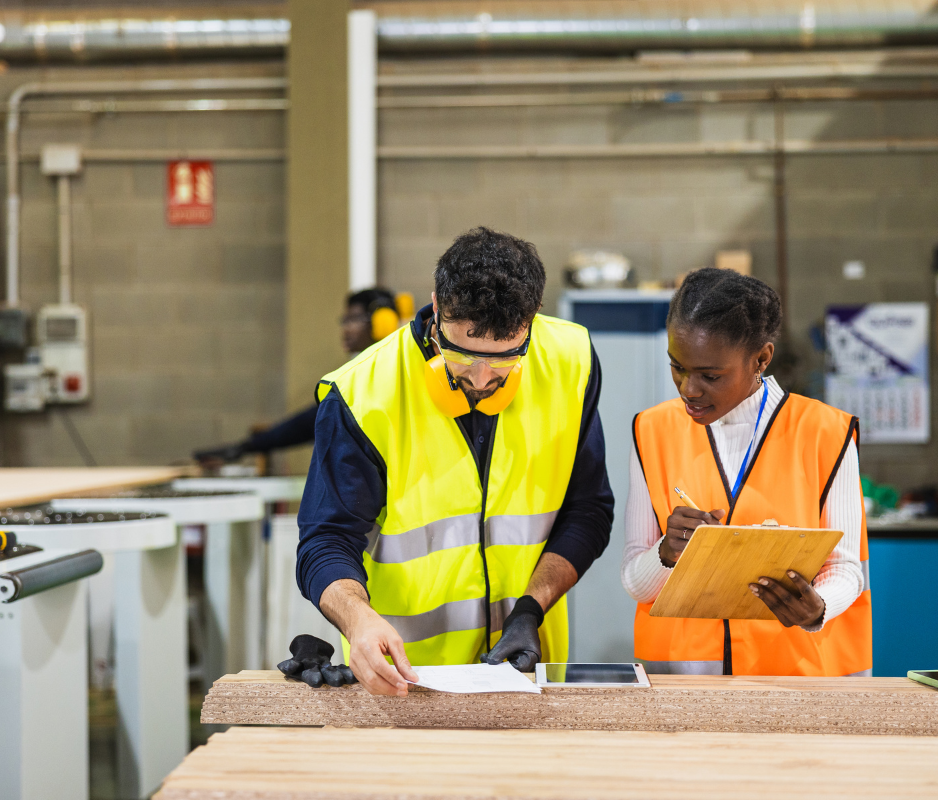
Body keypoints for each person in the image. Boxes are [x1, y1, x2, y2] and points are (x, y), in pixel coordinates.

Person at [297, 227, 614, 696]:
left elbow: (588, 510)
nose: (483, 379)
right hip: (405, 681)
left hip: (523, 677)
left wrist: (530, 609)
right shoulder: (363, 394)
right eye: (463, 355)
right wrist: (358, 620)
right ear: (437, 308)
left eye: (505, 358)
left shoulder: (571, 362)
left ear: (531, 320)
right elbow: (325, 539)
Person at [622, 267, 870, 677]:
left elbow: (846, 569)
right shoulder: (651, 430)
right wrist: (667, 553)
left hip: (796, 678)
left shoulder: (826, 432)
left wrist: (817, 608)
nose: (688, 388)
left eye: (710, 376)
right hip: (684, 682)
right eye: (677, 367)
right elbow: (635, 580)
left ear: (761, 359)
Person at [193, 288, 401, 464]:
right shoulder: (369, 371)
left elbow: (317, 417)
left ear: (384, 322)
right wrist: (252, 445)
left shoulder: (385, 373)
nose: (345, 329)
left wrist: (252, 445)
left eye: (353, 319)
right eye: (344, 320)